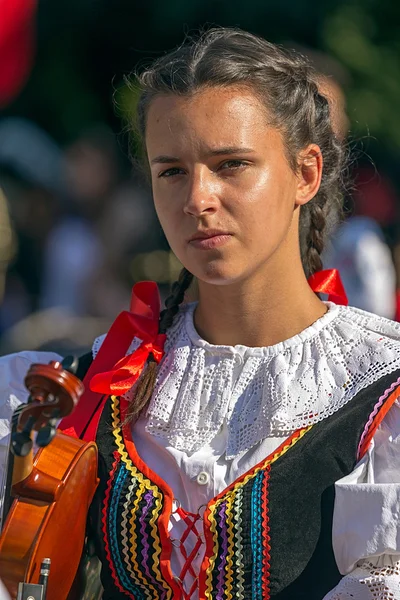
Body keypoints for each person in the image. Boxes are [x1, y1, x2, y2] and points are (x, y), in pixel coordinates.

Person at [1, 27, 400, 599]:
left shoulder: (382, 394)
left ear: (305, 174)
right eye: (172, 171)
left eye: (231, 164)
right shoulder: (64, 392)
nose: (197, 199)